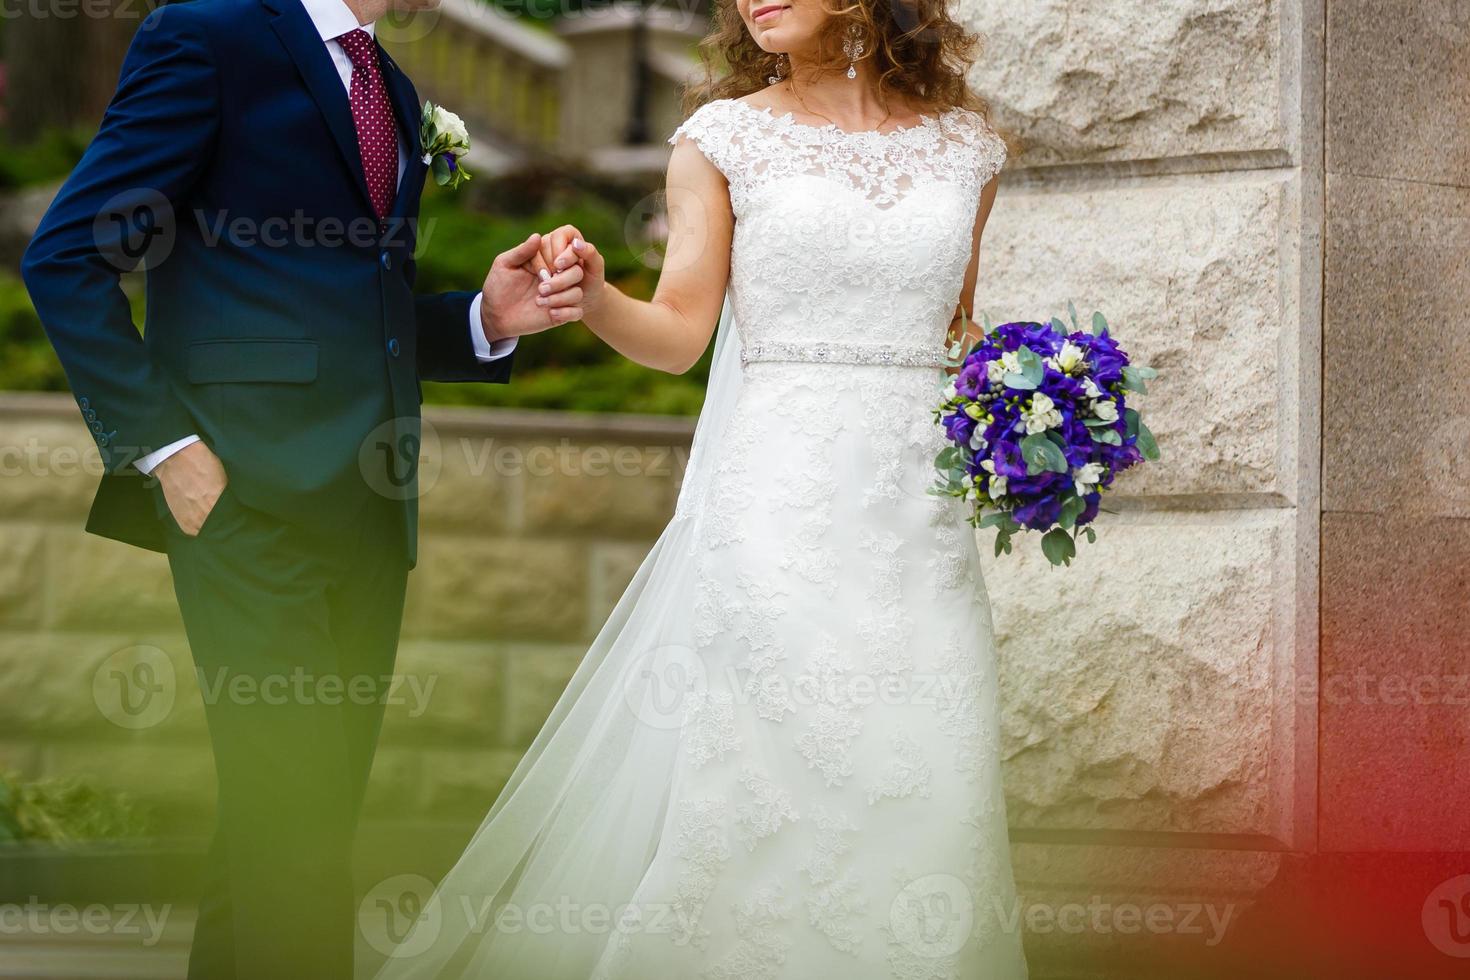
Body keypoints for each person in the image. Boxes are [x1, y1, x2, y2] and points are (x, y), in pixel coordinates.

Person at [374, 0, 1028, 976]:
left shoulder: (970, 149)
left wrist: (1041, 405)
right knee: (778, 768)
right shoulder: (721, 140)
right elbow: (680, 331)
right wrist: (594, 298)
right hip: (776, 512)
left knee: (931, 769)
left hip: (918, 524)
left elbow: (958, 331)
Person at [20, 0, 585, 977]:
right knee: (298, 837)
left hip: (369, 515)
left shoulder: (392, 89)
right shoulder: (207, 37)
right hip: (246, 510)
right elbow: (65, 257)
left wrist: (489, 320)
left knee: (288, 829)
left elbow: (365, 311)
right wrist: (165, 448)